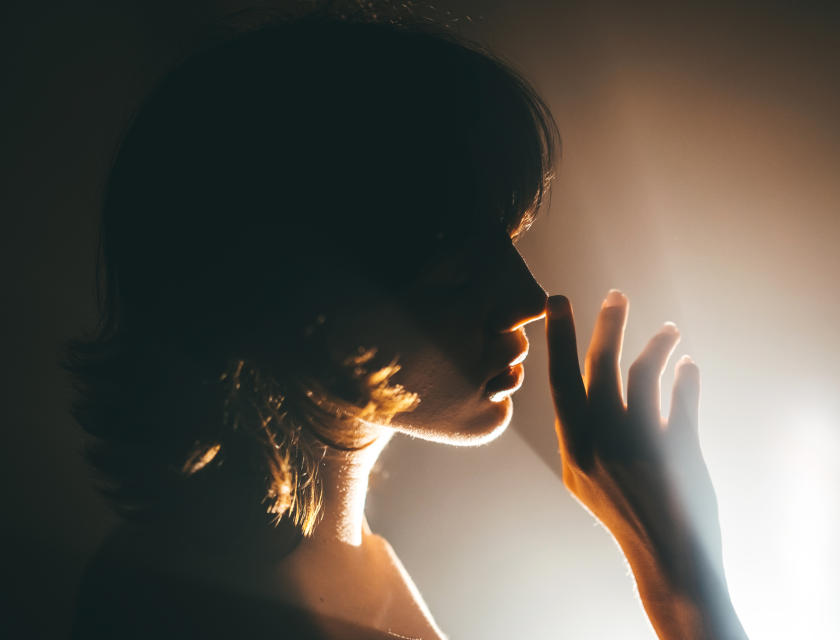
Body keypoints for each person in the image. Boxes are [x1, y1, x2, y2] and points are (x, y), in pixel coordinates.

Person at [65, 7, 747, 639]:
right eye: (455, 265)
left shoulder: (331, 563)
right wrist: (681, 578)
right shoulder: (201, 614)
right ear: (296, 297)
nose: (529, 296)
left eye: (508, 240)